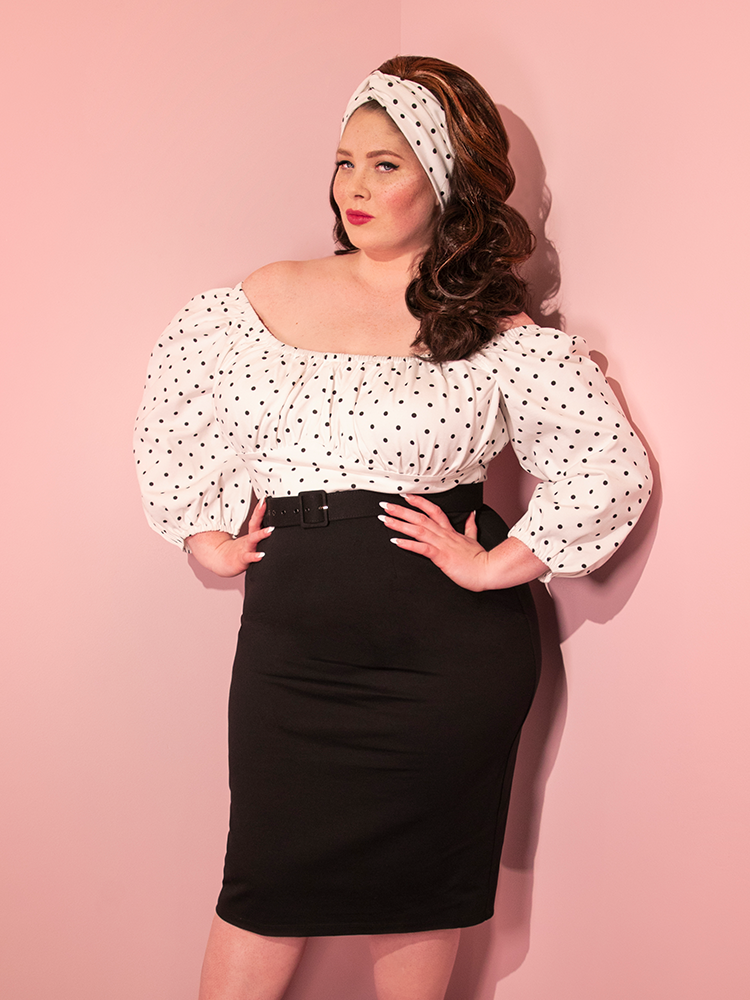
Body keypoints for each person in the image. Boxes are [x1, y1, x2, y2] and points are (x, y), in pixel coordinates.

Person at [134, 55, 651, 1000]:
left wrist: (499, 563)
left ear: (444, 179)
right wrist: (202, 529)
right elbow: (176, 415)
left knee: (420, 900)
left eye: (385, 164)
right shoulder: (258, 301)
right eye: (345, 162)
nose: (355, 188)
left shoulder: (494, 329)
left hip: (446, 670)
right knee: (261, 891)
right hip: (294, 660)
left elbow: (607, 464)